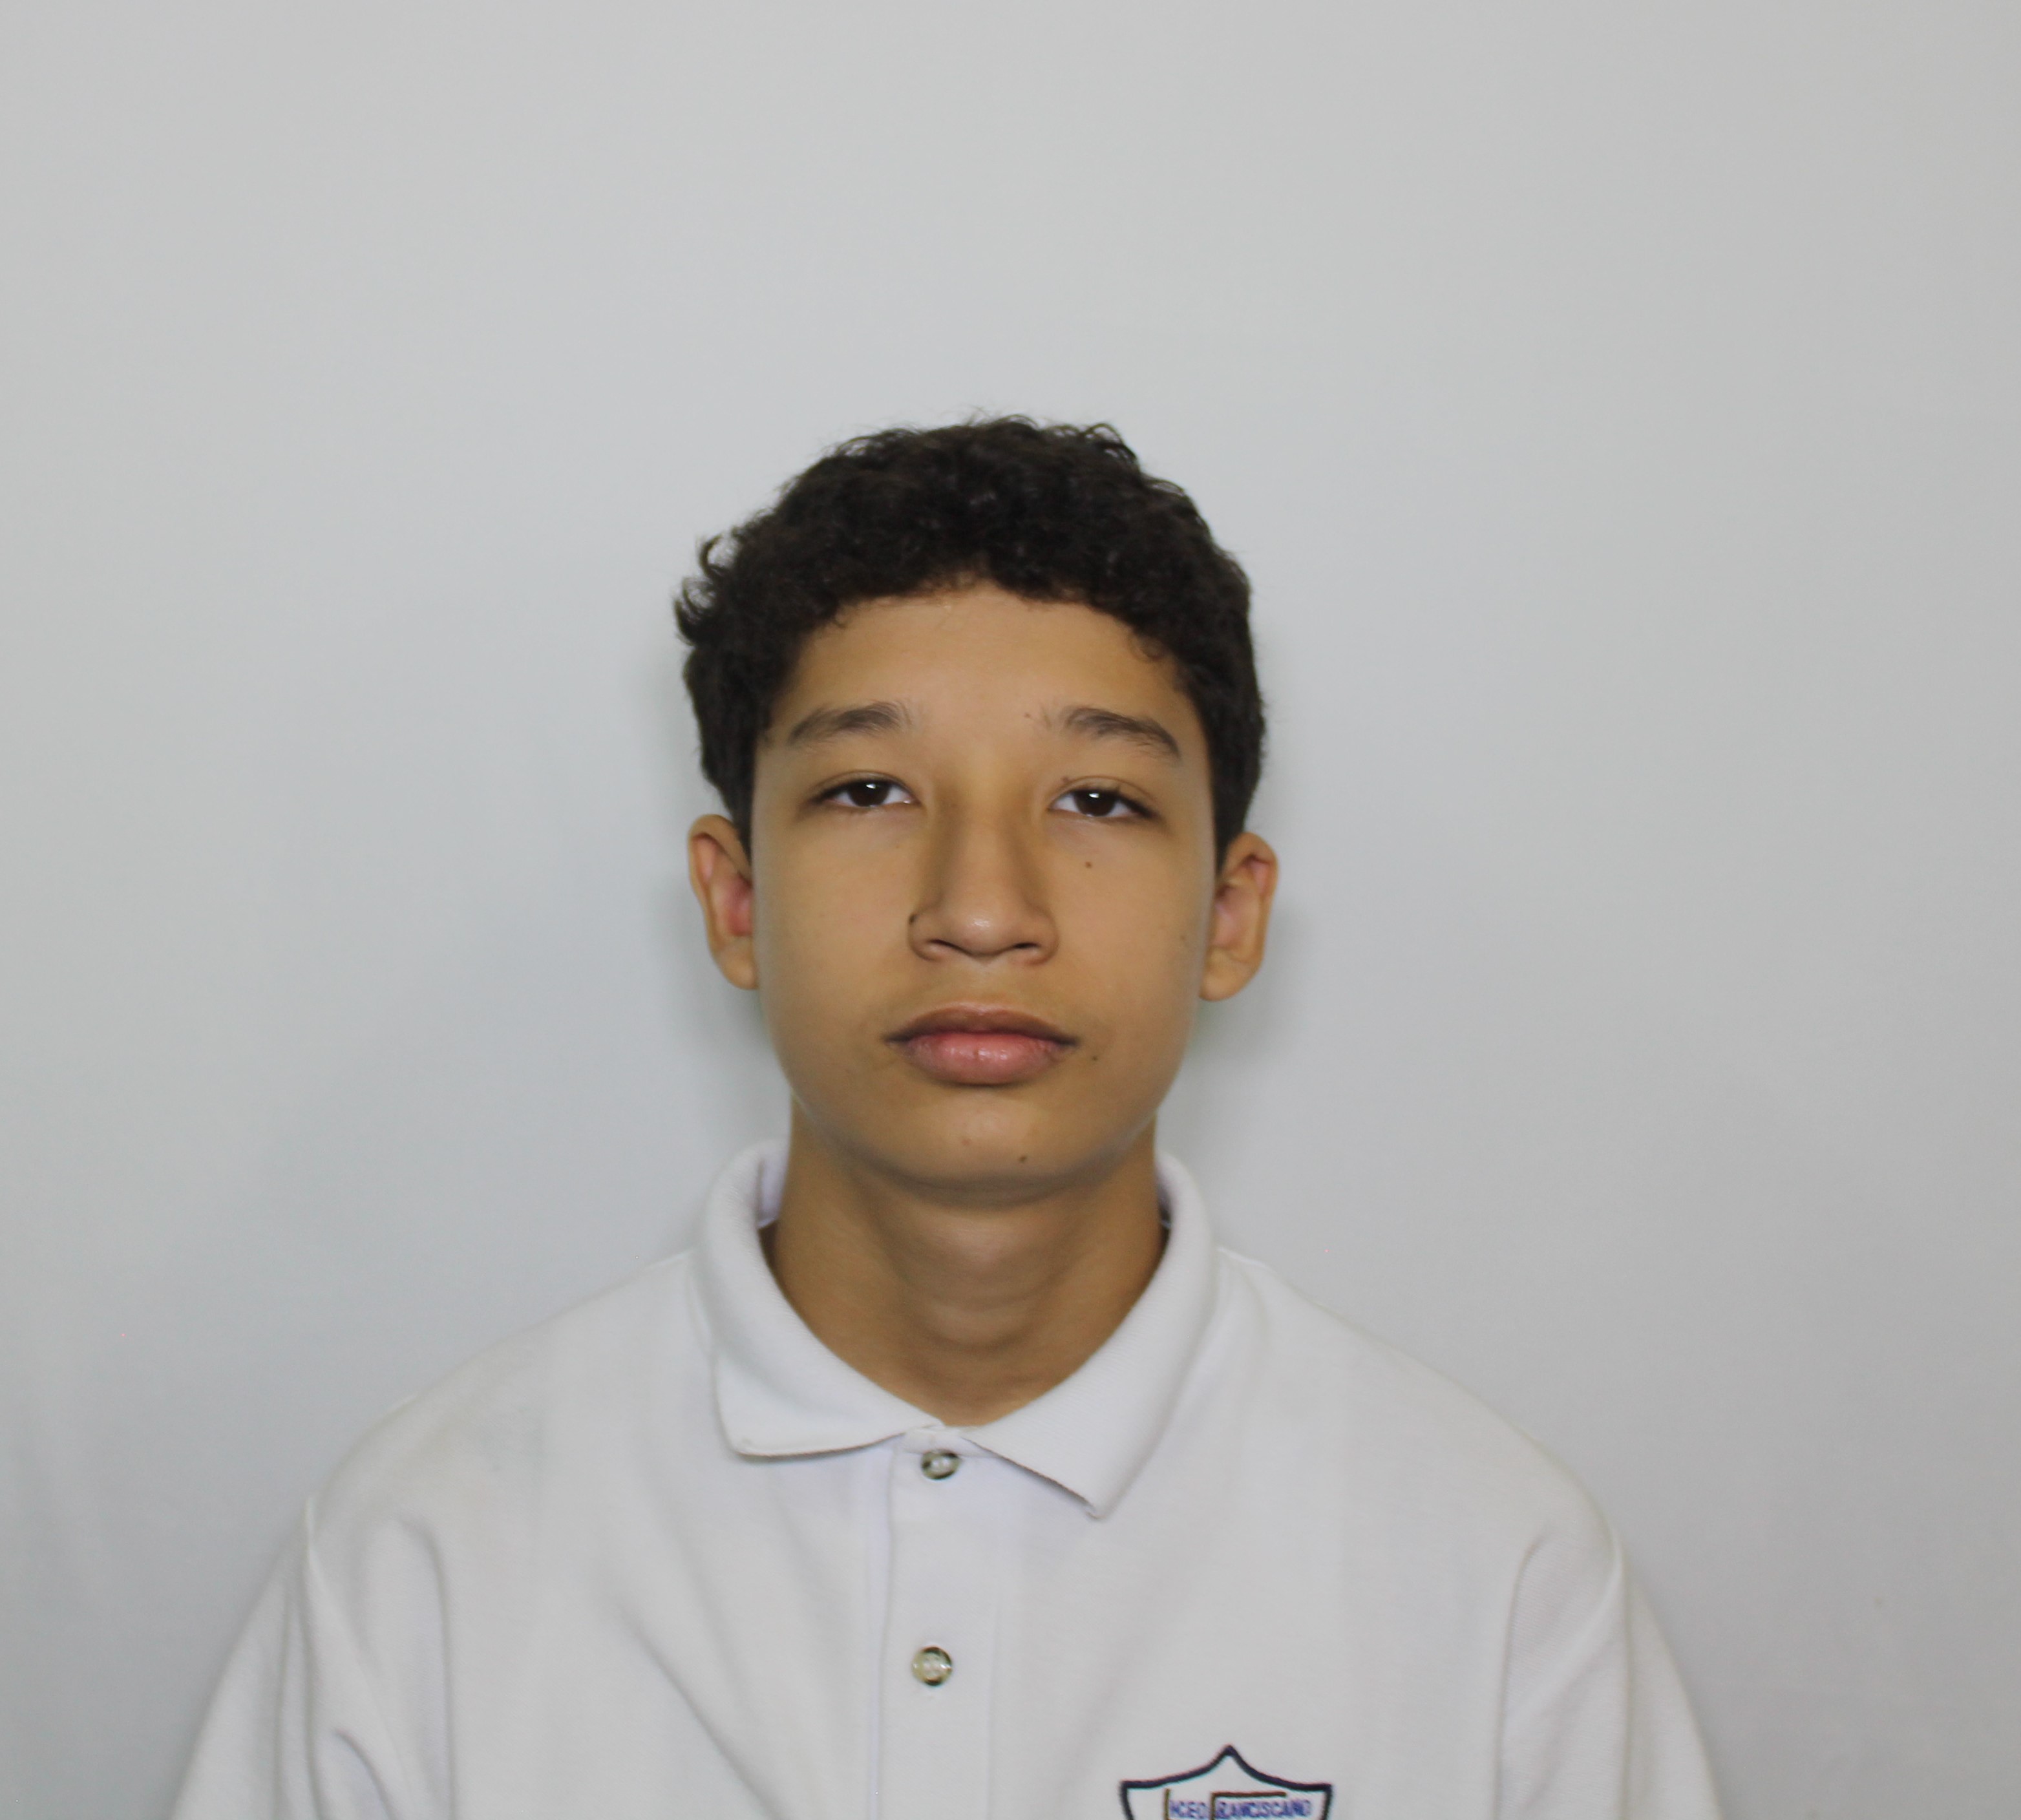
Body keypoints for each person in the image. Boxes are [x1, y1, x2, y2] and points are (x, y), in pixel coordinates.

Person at [173, 419, 1722, 1819]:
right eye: (868, 792)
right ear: (735, 900)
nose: (981, 909)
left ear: (1229, 914)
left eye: (1098, 799)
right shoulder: (423, 1557)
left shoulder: (1493, 1576)